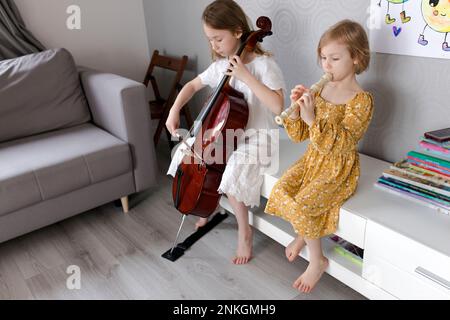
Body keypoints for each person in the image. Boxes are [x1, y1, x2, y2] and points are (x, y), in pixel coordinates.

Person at [166, 0, 285, 265]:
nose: (214, 46)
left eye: (218, 38)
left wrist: (246, 77)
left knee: (231, 169)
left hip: (259, 137)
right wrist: (174, 109)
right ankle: (204, 205)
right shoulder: (221, 67)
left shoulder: (265, 65)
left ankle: (245, 231)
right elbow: (192, 86)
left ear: (238, 31)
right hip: (225, 134)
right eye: (209, 40)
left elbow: (278, 105)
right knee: (185, 155)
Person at [265, 20, 374, 293]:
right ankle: (304, 233)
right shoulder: (321, 90)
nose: (326, 65)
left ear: (356, 58)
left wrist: (314, 120)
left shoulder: (362, 100)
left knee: (303, 204)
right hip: (312, 160)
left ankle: (317, 259)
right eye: (323, 58)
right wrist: (297, 110)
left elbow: (344, 144)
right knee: (280, 190)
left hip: (338, 167)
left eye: (335, 58)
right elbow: (300, 135)